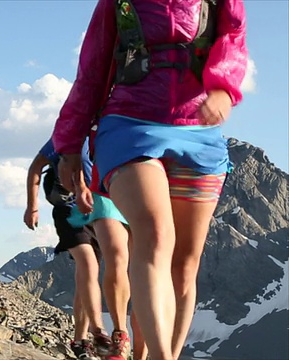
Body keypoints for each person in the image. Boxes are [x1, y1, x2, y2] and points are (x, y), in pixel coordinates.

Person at [52, 0, 248, 359]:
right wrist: (68, 145)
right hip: (130, 125)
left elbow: (233, 39)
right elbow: (92, 69)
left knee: (185, 264)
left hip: (200, 133)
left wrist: (223, 87)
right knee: (156, 233)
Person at [24, 138, 110, 360]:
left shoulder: (108, 131)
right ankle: (97, 329)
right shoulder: (65, 134)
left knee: (86, 275)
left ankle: (80, 342)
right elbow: (36, 167)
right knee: (87, 264)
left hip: (98, 213)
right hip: (68, 211)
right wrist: (32, 207)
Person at [68, 139, 147, 360]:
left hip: (144, 182)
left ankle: (137, 352)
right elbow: (72, 147)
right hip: (104, 186)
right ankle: (120, 336)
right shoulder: (95, 112)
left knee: (144, 272)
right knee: (117, 257)